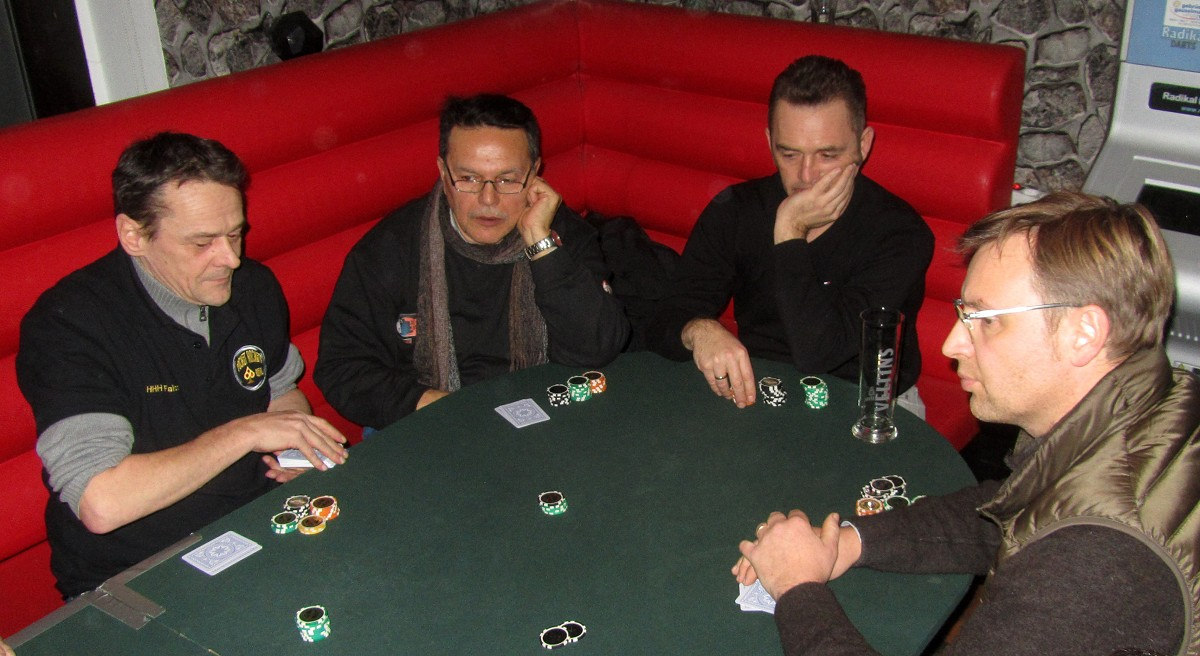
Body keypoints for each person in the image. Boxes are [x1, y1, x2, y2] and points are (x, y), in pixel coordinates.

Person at [732, 192, 1197, 655]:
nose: (952, 344)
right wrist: (850, 543)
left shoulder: (1091, 565)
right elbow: (1010, 512)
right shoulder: (1152, 408)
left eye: (985, 320)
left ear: (1084, 333)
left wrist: (796, 587)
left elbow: (1064, 541)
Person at [17, 132, 348, 599]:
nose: (230, 258)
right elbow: (102, 502)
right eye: (202, 242)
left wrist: (295, 455)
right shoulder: (69, 324)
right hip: (136, 572)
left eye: (235, 234)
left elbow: (279, 392)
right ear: (134, 235)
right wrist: (245, 434)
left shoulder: (253, 287)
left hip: (258, 523)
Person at [315, 94, 629, 429]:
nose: (488, 199)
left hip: (544, 418)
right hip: (429, 420)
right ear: (443, 172)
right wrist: (447, 408)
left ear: (534, 174)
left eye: (507, 179)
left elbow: (597, 348)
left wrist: (541, 245)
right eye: (468, 178)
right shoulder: (389, 248)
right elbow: (342, 367)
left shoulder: (560, 234)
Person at [646, 55, 933, 413]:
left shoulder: (900, 233)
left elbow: (819, 352)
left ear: (863, 144)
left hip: (871, 402)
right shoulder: (737, 209)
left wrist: (789, 231)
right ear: (770, 142)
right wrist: (699, 329)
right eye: (790, 154)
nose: (807, 176)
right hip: (763, 390)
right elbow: (664, 319)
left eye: (827, 155)